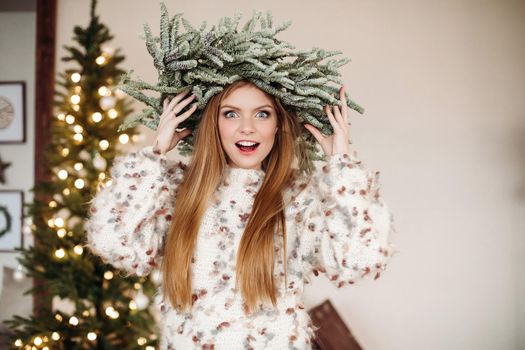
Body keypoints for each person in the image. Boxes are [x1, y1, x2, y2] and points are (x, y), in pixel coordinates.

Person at [85, 78, 397, 349]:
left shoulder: (298, 199)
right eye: (231, 113)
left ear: (277, 125)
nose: (247, 127)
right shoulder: (177, 190)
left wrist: (342, 166)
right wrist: (154, 154)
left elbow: (360, 261)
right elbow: (115, 243)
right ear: (213, 123)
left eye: (262, 114)